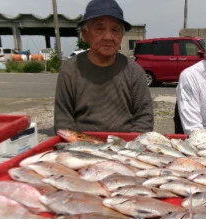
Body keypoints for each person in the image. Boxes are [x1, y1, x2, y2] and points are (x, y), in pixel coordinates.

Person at [54, 0, 154, 133]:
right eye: (99, 29)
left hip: (124, 146)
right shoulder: (70, 69)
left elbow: (144, 118)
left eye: (115, 30)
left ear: (121, 35)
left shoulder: (134, 70)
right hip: (83, 146)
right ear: (85, 34)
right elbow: (63, 121)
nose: (108, 37)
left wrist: (128, 147)